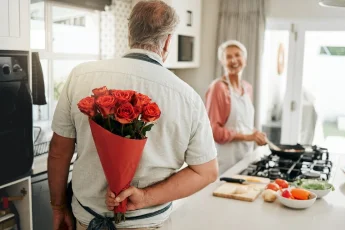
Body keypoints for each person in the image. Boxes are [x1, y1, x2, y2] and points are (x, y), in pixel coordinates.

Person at [48, 1, 218, 229]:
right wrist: (145, 197)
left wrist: (58, 207)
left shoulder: (81, 76)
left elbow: (59, 152)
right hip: (148, 224)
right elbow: (206, 172)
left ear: (130, 32)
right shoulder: (188, 97)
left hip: (85, 221)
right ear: (168, 41)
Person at [205, 40, 267, 175]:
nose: (234, 60)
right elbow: (214, 131)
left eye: (237, 55)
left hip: (246, 158)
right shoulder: (218, 88)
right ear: (222, 61)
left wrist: (256, 134)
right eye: (228, 57)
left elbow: (243, 125)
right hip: (226, 162)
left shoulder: (247, 87)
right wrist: (248, 137)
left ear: (245, 59)